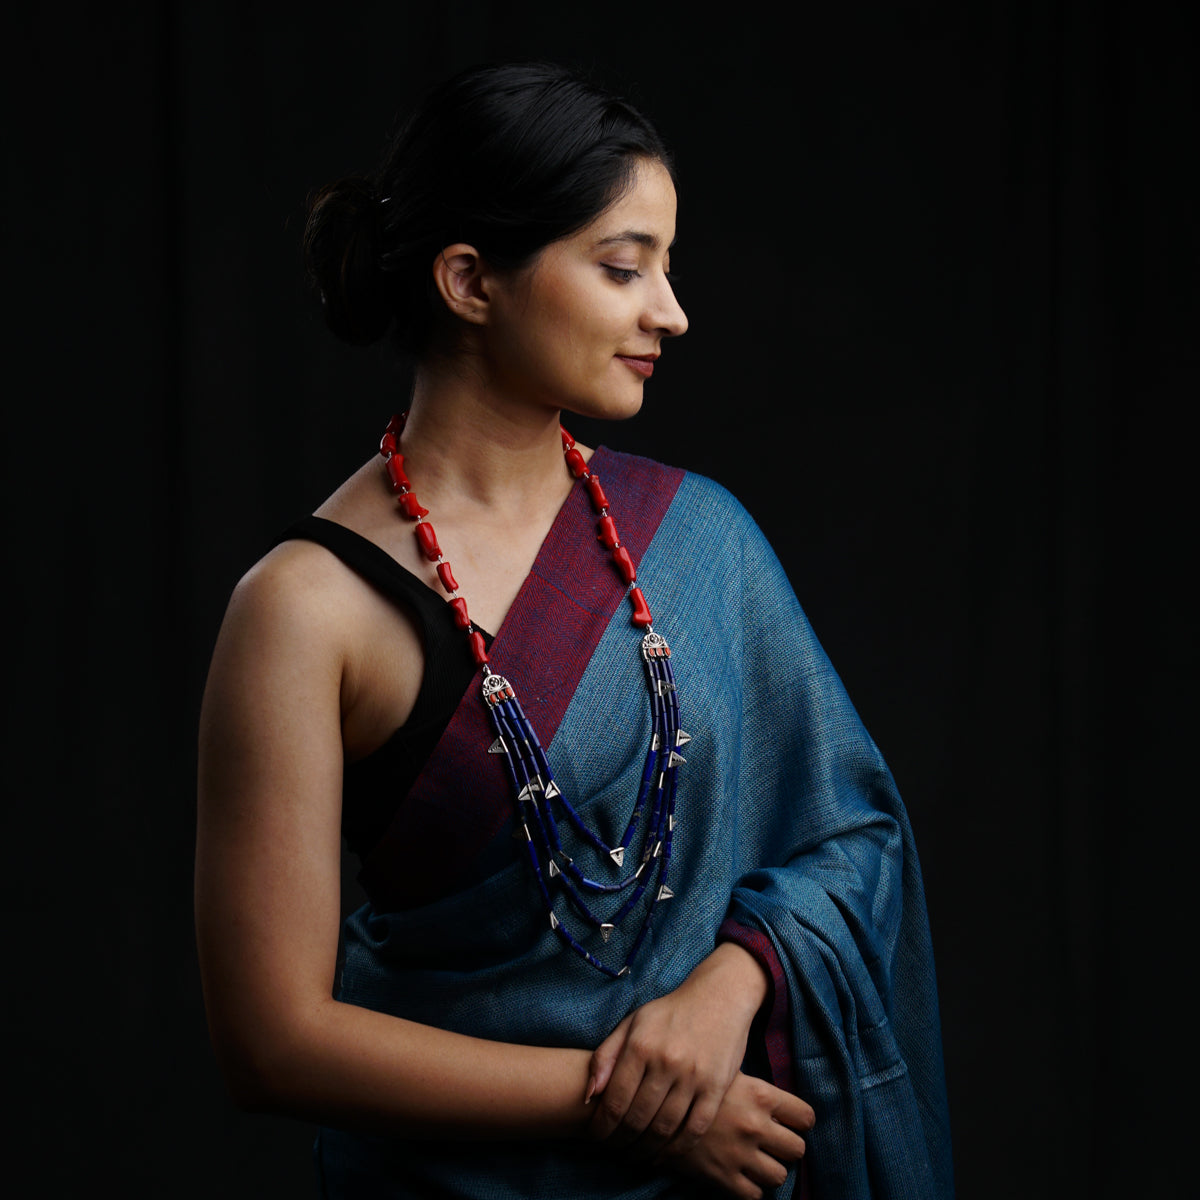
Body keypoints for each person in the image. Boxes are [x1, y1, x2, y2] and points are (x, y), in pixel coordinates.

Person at [195, 62, 952, 1199]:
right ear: (469, 280)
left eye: (668, 266)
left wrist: (726, 991)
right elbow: (275, 1042)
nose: (672, 311)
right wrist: (628, 1103)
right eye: (621, 266)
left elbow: (852, 836)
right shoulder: (303, 611)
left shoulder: (698, 540)